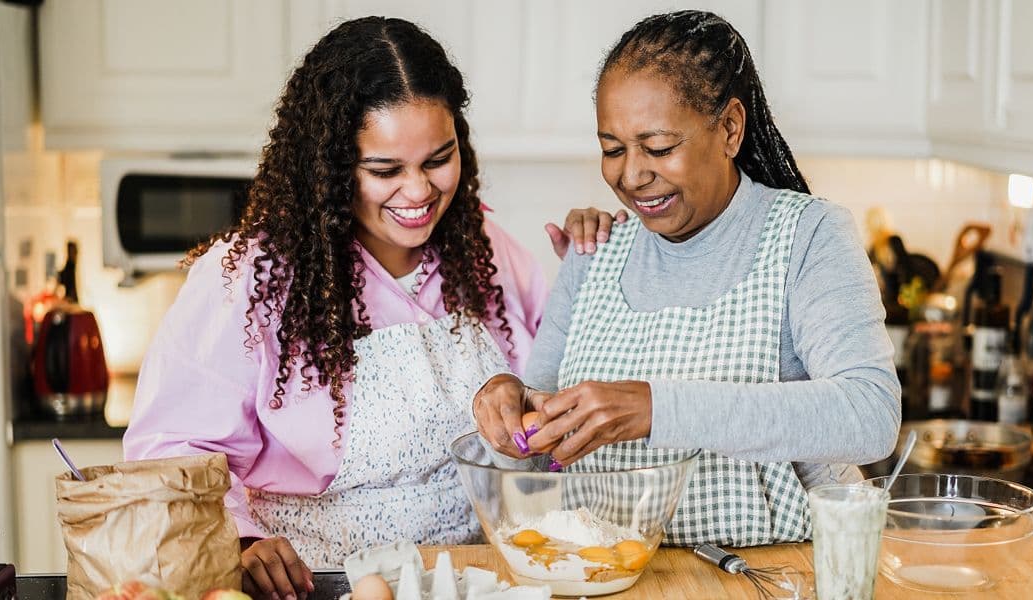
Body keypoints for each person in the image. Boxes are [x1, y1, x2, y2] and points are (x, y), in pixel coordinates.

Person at [123, 16, 616, 599]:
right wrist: (243, 542)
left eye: (439, 159)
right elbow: (170, 456)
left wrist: (595, 284)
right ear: (331, 168)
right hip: (321, 585)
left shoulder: (486, 253)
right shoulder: (252, 278)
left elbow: (553, 403)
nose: (419, 192)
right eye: (385, 170)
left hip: (477, 583)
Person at [473, 10, 901, 548]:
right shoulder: (595, 251)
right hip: (607, 572)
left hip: (770, 572)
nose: (630, 175)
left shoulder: (807, 235)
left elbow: (869, 414)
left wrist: (655, 409)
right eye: (612, 149)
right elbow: (540, 444)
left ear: (729, 128)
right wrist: (510, 403)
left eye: (658, 148)